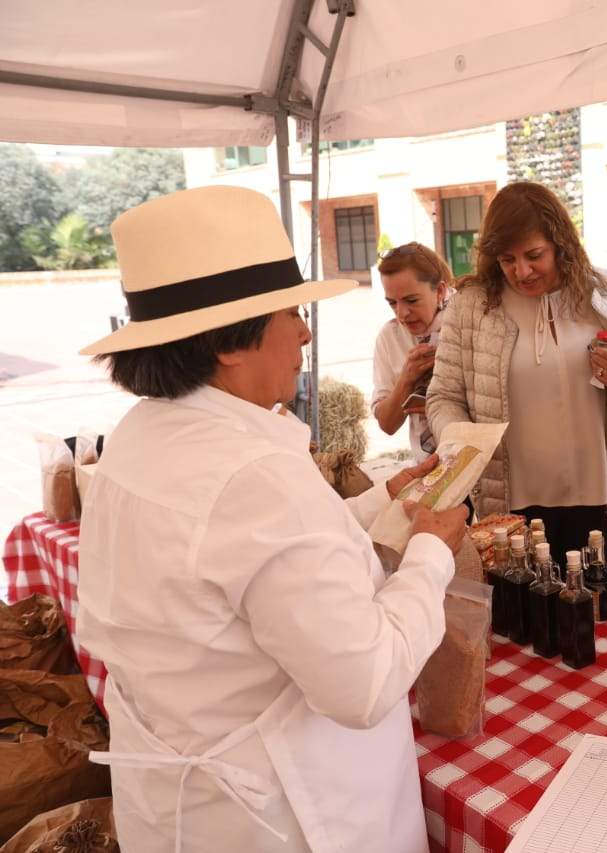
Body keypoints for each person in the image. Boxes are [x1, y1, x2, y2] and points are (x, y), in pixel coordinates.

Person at [75, 186, 470, 853]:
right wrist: (431, 553)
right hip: (284, 816)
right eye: (292, 312)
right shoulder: (252, 474)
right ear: (231, 343)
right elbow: (365, 681)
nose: (305, 332)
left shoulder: (141, 436)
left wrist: (378, 502)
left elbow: (254, 563)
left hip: (185, 806)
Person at [427, 181, 607, 569]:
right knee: (520, 605)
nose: (522, 271)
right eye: (507, 260)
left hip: (597, 496)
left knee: (591, 601)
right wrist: (463, 444)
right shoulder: (472, 306)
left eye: (534, 255)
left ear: (560, 243)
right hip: (509, 504)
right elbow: (443, 396)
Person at [371, 242, 452, 460]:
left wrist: (442, 404)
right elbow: (387, 424)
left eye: (412, 300)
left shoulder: (466, 321)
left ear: (440, 291)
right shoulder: (390, 336)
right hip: (427, 466)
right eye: (392, 303)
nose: (402, 314)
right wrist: (406, 379)